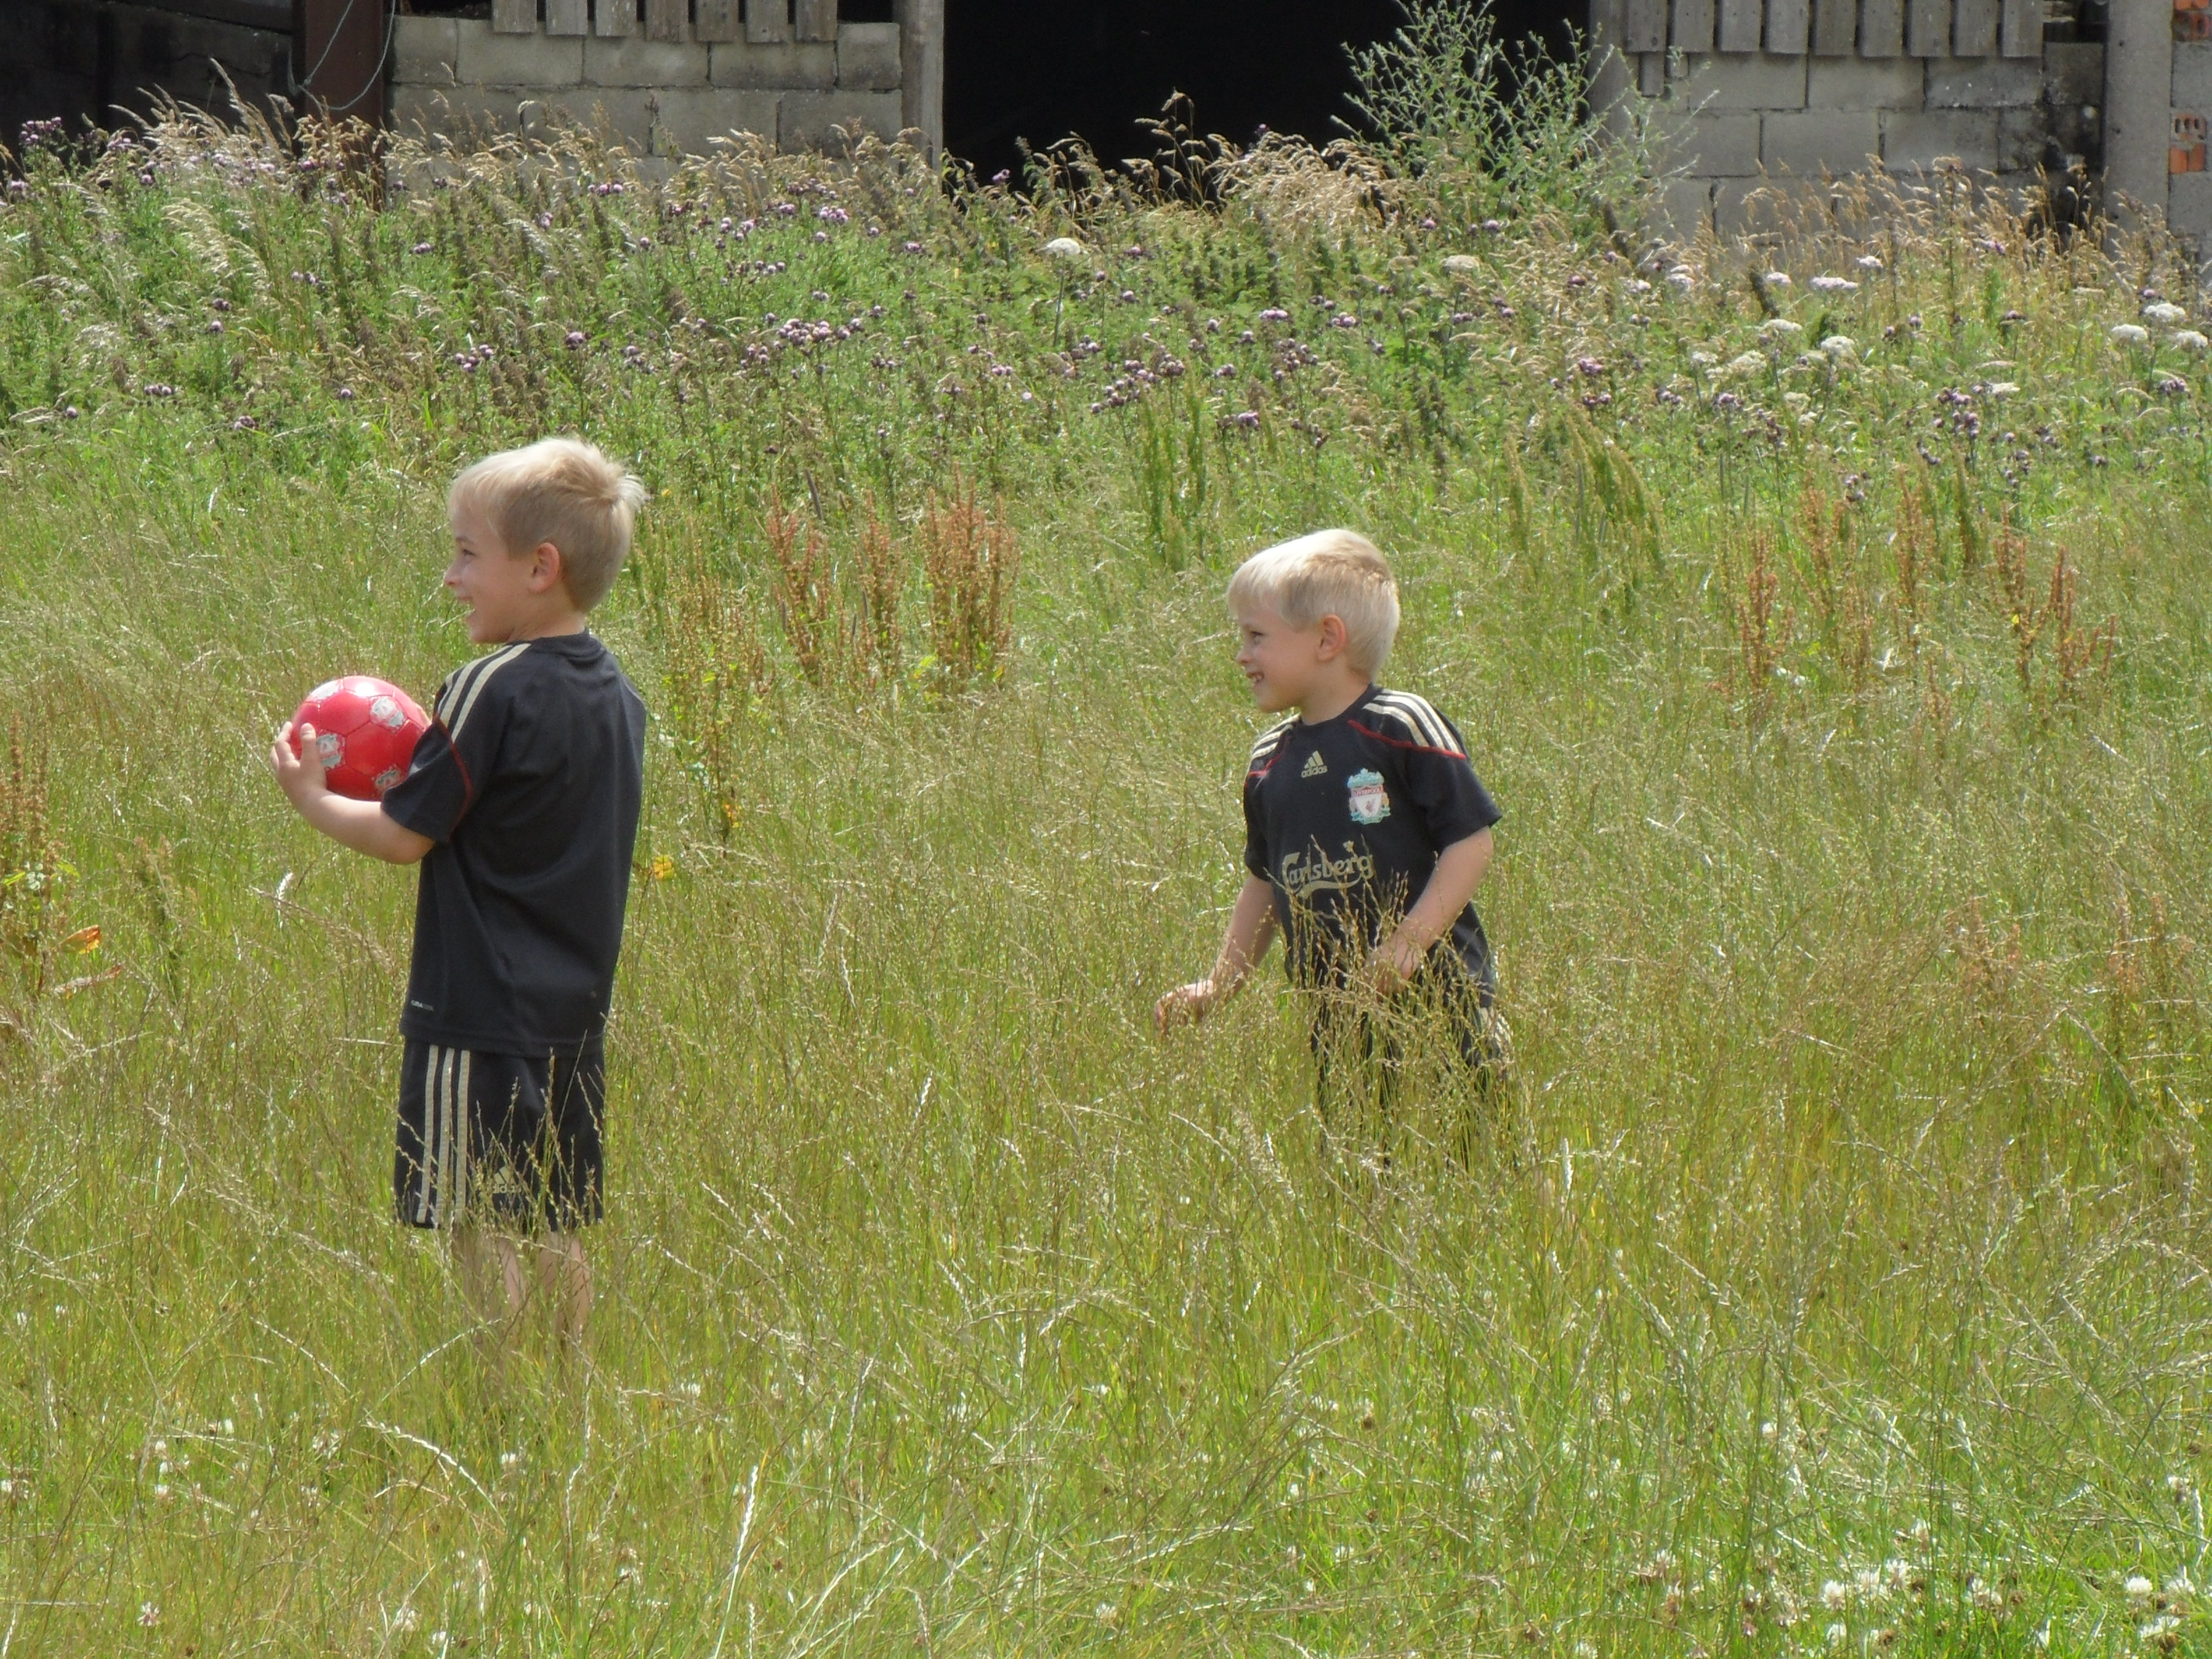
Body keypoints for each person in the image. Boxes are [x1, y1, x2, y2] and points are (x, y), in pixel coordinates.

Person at [268, 437, 649, 1365]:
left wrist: (313, 799)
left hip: (475, 1009)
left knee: (475, 1215)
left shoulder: (488, 688)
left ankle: (500, 1402)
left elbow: (407, 834)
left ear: (540, 568)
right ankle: (566, 1395)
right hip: (574, 1015)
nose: (452, 577)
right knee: (554, 1215)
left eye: (468, 554)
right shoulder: (619, 695)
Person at [1155, 529, 1505, 1165]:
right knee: (1359, 1166)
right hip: (1336, 1011)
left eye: (1255, 636)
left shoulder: (1401, 725)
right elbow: (1265, 881)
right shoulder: (1268, 761)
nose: (1241, 655)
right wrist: (1220, 983)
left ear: (1326, 639)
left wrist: (1407, 945)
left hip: (1443, 993)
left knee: (1478, 1154)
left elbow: (1470, 841)